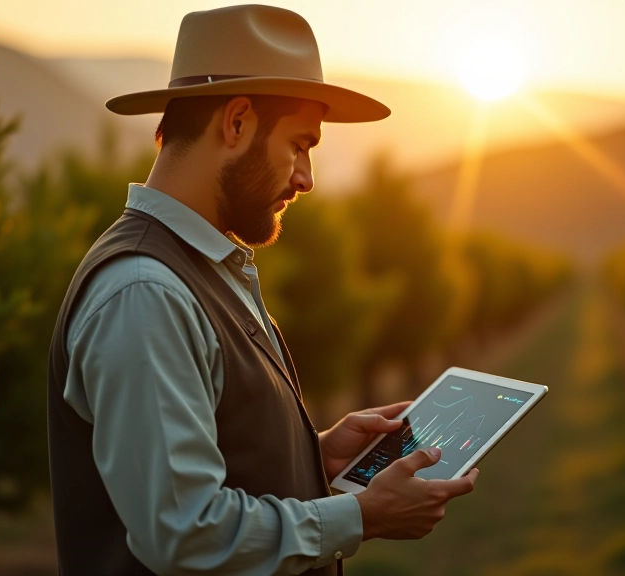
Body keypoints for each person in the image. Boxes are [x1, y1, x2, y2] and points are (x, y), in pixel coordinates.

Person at [46, 5, 479, 576]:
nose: (307, 178)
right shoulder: (145, 291)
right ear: (237, 123)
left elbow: (204, 466)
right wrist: (361, 516)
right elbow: (186, 533)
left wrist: (313, 457)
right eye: (300, 145)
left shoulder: (200, 268)